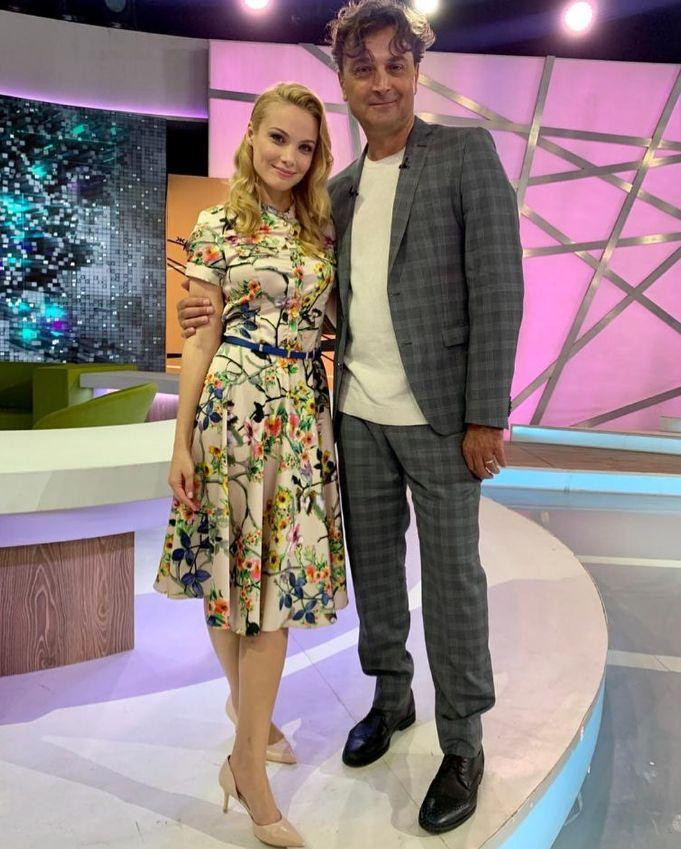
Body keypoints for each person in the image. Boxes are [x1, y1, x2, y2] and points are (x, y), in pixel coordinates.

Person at [178, 0, 524, 836]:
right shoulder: (333, 194)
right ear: (342, 80)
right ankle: (391, 695)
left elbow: (498, 287)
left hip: (443, 420)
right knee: (374, 575)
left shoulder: (464, 155)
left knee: (453, 581)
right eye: (362, 66)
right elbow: (310, 298)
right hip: (351, 419)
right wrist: (209, 312)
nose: (380, 81)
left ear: (416, 71)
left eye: (395, 64)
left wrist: (486, 414)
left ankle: (463, 742)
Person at [155, 81, 348, 848]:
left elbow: (333, 319)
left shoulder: (319, 228)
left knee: (276, 589)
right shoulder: (216, 225)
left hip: (300, 417)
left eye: (304, 146)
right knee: (231, 581)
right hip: (232, 414)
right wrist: (179, 441)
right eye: (277, 138)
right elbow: (200, 336)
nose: (288, 157)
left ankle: (246, 729)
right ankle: (250, 755)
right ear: (251, 136)